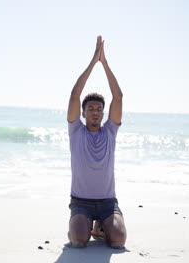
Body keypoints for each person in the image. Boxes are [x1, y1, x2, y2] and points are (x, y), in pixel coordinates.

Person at [66, 35, 127, 249]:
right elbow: (75, 94)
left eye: (99, 109)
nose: (95, 111)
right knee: (78, 241)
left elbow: (118, 97)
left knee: (118, 241)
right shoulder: (76, 130)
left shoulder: (110, 131)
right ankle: (81, 225)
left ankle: (100, 226)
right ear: (82, 113)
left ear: (103, 114)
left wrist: (105, 63)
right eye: (90, 108)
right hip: (80, 201)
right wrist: (93, 61)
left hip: (107, 203)